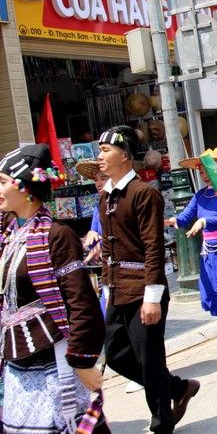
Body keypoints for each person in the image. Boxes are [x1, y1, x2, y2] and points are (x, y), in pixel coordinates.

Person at [98, 126, 199, 434]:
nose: (99, 157)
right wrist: (105, 286)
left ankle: (161, 424)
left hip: (143, 288)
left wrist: (152, 296)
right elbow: (106, 245)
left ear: (125, 156)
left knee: (148, 357)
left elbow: (153, 246)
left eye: (105, 151)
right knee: (115, 354)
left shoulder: (145, 193)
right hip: (117, 289)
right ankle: (178, 387)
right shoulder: (105, 197)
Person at [0, 144, 108, 433]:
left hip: (53, 354)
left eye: (1, 182)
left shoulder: (57, 235)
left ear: (24, 187)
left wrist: (83, 361)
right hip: (17, 355)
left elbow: (81, 301)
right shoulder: (9, 232)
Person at [164, 148, 217, 357]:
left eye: (206, 171)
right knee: (211, 294)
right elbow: (186, 216)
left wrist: (205, 221)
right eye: (201, 172)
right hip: (210, 251)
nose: (204, 175)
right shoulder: (200, 195)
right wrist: (174, 220)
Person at [77, 160, 146, 394]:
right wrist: (93, 236)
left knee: (136, 334)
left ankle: (150, 376)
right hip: (110, 276)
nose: (98, 183)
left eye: (102, 178)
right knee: (114, 335)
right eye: (95, 179)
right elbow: (97, 232)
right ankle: (158, 379)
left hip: (133, 277)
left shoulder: (133, 197)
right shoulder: (102, 202)